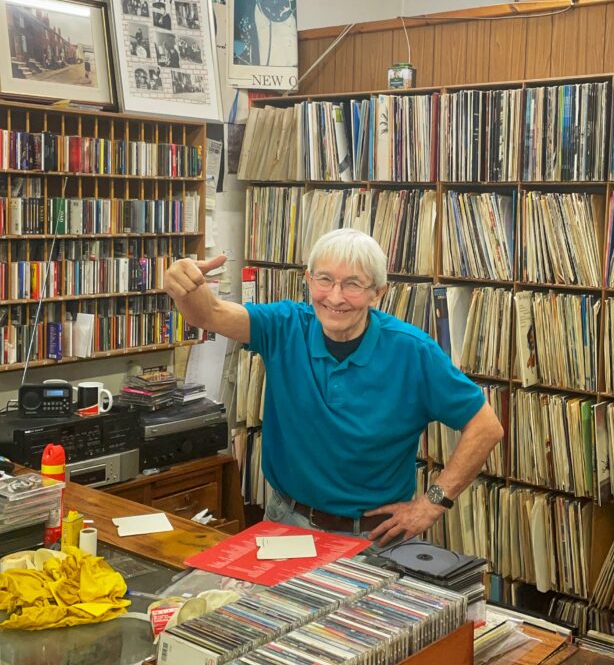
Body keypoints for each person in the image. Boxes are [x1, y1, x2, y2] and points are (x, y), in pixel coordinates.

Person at [164, 228, 504, 547]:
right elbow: (209, 313)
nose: (335, 297)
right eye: (325, 280)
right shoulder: (285, 326)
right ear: (309, 280)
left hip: (375, 538)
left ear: (378, 292)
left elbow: (485, 427)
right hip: (286, 523)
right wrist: (187, 286)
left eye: (353, 284)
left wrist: (431, 504)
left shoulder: (412, 351)